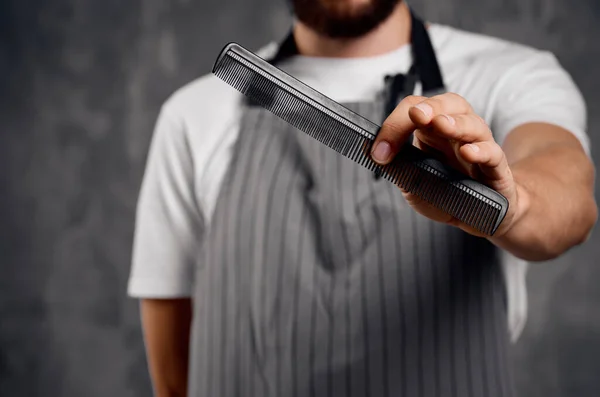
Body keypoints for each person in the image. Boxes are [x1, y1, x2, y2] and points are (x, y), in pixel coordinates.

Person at [128, 0, 597, 396]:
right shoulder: (193, 113)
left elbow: (567, 196)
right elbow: (174, 377)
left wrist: (511, 205)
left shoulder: (511, 76)